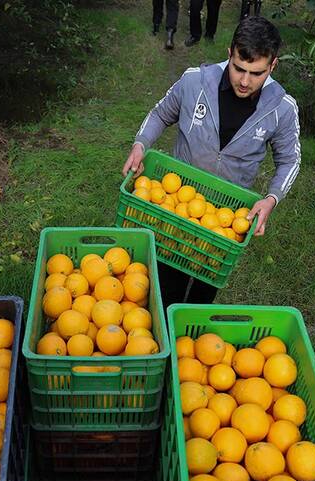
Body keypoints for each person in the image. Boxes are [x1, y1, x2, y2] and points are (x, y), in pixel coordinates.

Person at [121, 16, 301, 307]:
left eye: (256, 73)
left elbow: (290, 160)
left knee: (204, 289)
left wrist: (271, 198)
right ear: (229, 53)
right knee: (166, 282)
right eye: (238, 69)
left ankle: (188, 334)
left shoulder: (282, 108)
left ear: (272, 65)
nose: (244, 81)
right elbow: (160, 114)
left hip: (226, 218)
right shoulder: (194, 81)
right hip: (176, 203)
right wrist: (140, 145)